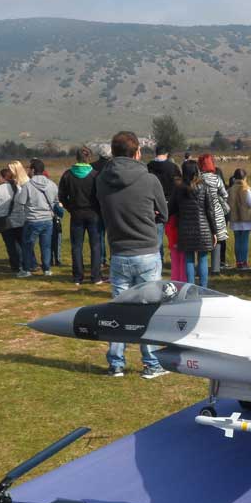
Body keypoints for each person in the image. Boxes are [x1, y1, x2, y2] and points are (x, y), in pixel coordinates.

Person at [95, 131, 169, 379]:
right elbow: (164, 213)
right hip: (147, 250)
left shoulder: (102, 180)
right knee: (148, 310)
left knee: (119, 310)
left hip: (119, 251)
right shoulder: (149, 179)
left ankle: (116, 363)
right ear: (137, 152)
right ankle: (152, 363)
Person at [59, 147, 104, 286]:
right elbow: (101, 195)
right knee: (95, 245)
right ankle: (96, 276)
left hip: (76, 213)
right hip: (93, 213)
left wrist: (70, 208)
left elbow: (61, 196)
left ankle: (78, 277)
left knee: (76, 246)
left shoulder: (67, 175)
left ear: (76, 158)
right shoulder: (96, 175)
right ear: (89, 158)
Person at [169, 161, 217, 287]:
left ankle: (190, 288)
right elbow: (210, 210)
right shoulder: (204, 187)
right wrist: (214, 231)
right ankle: (203, 288)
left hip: (185, 230)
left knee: (189, 260)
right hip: (203, 229)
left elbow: (171, 209)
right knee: (203, 259)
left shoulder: (178, 188)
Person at [11, 158, 60, 277]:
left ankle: (26, 270)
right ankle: (47, 269)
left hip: (32, 220)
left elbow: (21, 201)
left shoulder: (28, 186)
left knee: (28, 246)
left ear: (33, 170)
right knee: (46, 246)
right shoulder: (52, 184)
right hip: (48, 220)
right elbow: (55, 201)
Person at [0, 167, 22, 273]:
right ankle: (24, 263)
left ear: (2, 177)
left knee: (10, 245)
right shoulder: (18, 187)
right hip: (19, 219)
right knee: (20, 243)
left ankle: (16, 266)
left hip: (5, 221)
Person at [198, 154, 229, 274]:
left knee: (203, 240)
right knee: (218, 239)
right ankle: (216, 268)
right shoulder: (217, 179)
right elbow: (225, 195)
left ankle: (202, 268)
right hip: (216, 213)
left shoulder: (198, 179)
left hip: (201, 213)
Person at [227, 168, 251, 270]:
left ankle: (238, 262)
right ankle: (243, 262)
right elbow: (250, 203)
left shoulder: (230, 189)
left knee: (237, 241)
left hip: (235, 218)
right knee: (244, 241)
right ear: (245, 177)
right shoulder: (246, 188)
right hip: (245, 218)